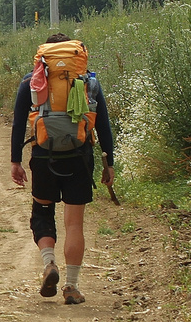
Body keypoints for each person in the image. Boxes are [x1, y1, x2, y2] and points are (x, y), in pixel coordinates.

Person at [10, 32, 116, 304]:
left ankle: (49, 264)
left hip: (44, 156)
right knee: (75, 224)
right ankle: (71, 286)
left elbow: (18, 123)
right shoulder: (88, 82)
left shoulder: (32, 82)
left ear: (44, 54)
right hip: (79, 156)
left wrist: (15, 161)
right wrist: (109, 163)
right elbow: (103, 126)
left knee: (42, 213)